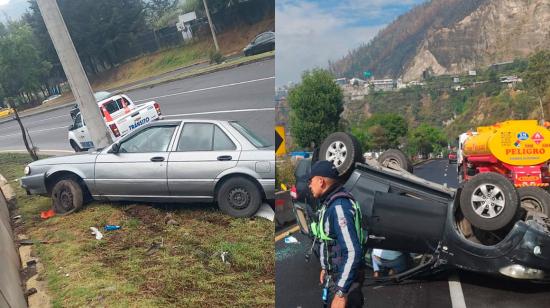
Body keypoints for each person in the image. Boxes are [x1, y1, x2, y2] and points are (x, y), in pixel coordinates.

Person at [308, 160, 364, 308]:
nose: (309, 185)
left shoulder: (339, 206)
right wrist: (325, 268)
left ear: (320, 181)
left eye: (311, 181)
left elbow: (353, 251)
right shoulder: (329, 202)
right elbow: (329, 241)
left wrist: (341, 293)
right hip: (334, 277)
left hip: (344, 283)